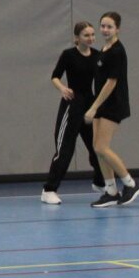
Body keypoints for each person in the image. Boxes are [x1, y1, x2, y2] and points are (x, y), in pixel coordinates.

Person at [40, 22, 106, 204]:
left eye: (93, 35)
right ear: (77, 38)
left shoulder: (98, 56)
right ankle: (49, 190)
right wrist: (62, 88)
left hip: (90, 105)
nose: (91, 38)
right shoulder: (68, 55)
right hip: (72, 104)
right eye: (86, 35)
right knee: (65, 150)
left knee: (97, 147)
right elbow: (55, 76)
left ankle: (100, 182)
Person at [86, 12, 139, 208]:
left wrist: (93, 107)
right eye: (102, 26)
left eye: (109, 26)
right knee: (97, 149)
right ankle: (111, 191)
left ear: (117, 29)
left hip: (113, 104)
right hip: (101, 103)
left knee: (101, 147)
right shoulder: (103, 49)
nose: (105, 29)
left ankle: (131, 184)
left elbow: (111, 83)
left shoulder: (117, 51)